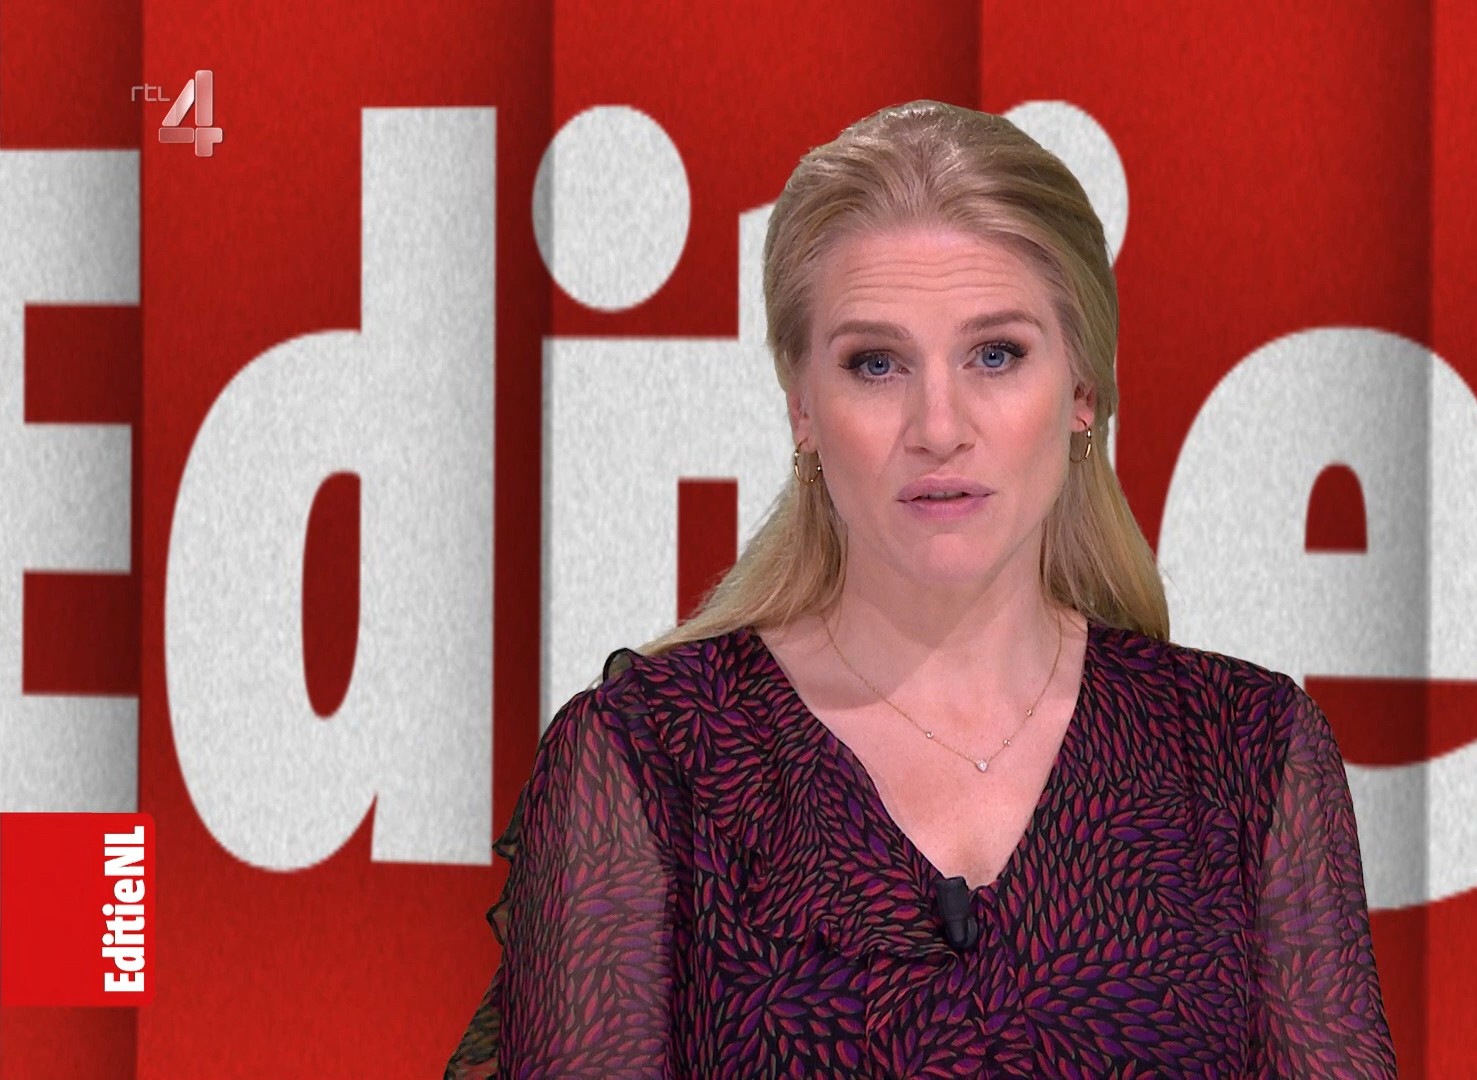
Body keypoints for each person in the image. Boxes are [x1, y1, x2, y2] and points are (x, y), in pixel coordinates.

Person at [447, 98, 1395, 1078]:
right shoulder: (649, 759)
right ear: (803, 408)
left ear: (1082, 391)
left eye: (997, 354)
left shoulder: (1249, 754)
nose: (938, 426)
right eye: (876, 363)